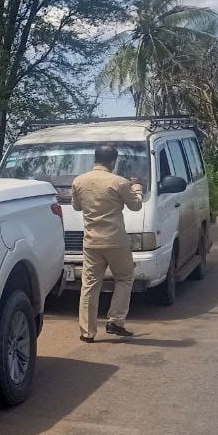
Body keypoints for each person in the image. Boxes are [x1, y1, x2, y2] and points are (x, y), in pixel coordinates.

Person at [71, 143, 144, 342]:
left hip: (91, 242)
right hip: (116, 241)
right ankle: (116, 321)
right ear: (113, 161)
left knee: (89, 286)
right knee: (124, 279)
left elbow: (76, 207)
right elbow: (136, 206)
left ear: (95, 158)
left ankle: (87, 332)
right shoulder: (119, 182)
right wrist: (137, 188)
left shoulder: (79, 181)